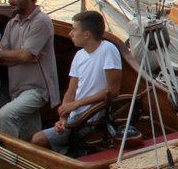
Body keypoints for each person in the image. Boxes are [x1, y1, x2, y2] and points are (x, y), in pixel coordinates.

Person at [32, 10, 122, 152]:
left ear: (87, 34)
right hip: (75, 117)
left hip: (90, 118)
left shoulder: (108, 50)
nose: (70, 34)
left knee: (37, 140)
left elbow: (113, 91)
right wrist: (63, 119)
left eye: (74, 29)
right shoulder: (79, 55)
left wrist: (76, 104)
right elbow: (71, 90)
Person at [0, 0, 60, 140]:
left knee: (6, 114)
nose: (10, 1)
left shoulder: (41, 21)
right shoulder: (12, 24)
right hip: (17, 90)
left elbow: (24, 55)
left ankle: (9, 157)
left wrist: (18, 55)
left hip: (37, 90)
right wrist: (19, 56)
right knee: (30, 136)